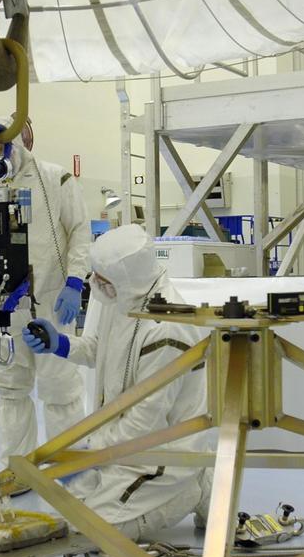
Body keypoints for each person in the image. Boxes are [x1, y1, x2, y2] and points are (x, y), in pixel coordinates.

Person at [22, 223, 213, 540]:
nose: (94, 285)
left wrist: (87, 451)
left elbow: (144, 423)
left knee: (98, 533)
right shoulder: (123, 296)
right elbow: (99, 349)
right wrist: (61, 343)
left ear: (126, 278)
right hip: (120, 443)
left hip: (161, 450)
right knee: (69, 510)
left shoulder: (167, 328)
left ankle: (194, 487)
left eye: (102, 279)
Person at [0, 116, 91, 464]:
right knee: (11, 390)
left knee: (59, 388)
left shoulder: (54, 178)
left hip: (50, 304)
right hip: (2, 307)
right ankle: (17, 469)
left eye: (1, 148)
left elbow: (79, 231)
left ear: (18, 145)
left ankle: (69, 465)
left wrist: (75, 282)